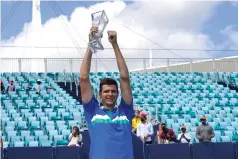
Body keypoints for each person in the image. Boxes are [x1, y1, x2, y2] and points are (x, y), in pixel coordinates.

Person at [80, 27, 134, 159]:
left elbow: (124, 78)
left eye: (113, 91)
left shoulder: (125, 112)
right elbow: (83, 78)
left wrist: (115, 44)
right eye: (106, 91)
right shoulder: (92, 111)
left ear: (117, 93)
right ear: (100, 94)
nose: (110, 94)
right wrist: (91, 44)